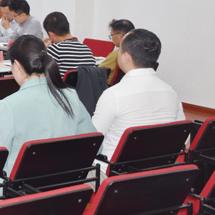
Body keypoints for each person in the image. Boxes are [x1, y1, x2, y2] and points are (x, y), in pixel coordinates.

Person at [0, 35, 97, 176]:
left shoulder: (9, 104)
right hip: (66, 180)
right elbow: (94, 144)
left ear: (17, 66)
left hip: (20, 183)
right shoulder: (70, 95)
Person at [92, 29, 184, 165]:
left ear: (126, 57)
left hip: (111, 171)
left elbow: (91, 140)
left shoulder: (113, 94)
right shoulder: (171, 92)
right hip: (156, 168)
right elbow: (183, 136)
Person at [42, 11, 96, 77]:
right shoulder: (87, 49)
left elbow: (41, 71)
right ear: (68, 25)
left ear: (51, 34)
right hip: (86, 84)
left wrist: (42, 48)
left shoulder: (55, 49)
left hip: (63, 84)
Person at [99, 19, 135, 84]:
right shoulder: (137, 52)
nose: (112, 38)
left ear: (120, 36)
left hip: (107, 87)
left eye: (112, 35)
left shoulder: (117, 54)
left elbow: (97, 72)